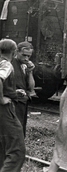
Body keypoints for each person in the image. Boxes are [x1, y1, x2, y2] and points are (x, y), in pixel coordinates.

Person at [0, 39, 26, 171]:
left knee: (3, 147)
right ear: (14, 52)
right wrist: (2, 99)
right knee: (17, 150)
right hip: (4, 110)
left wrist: (12, 92)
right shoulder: (6, 64)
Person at [12, 41, 35, 137]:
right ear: (17, 52)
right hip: (13, 102)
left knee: (21, 127)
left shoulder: (25, 66)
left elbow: (31, 87)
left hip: (22, 102)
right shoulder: (10, 64)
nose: (26, 58)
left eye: (28, 56)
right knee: (14, 129)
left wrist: (30, 72)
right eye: (24, 55)